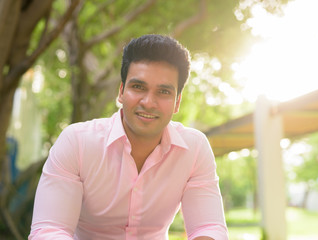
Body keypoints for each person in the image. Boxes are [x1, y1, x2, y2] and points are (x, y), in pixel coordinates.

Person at [29, 34, 228, 240]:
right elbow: (50, 230)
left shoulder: (195, 149)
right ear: (121, 92)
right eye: (138, 87)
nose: (149, 102)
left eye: (163, 92)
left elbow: (209, 228)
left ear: (177, 102)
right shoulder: (77, 142)